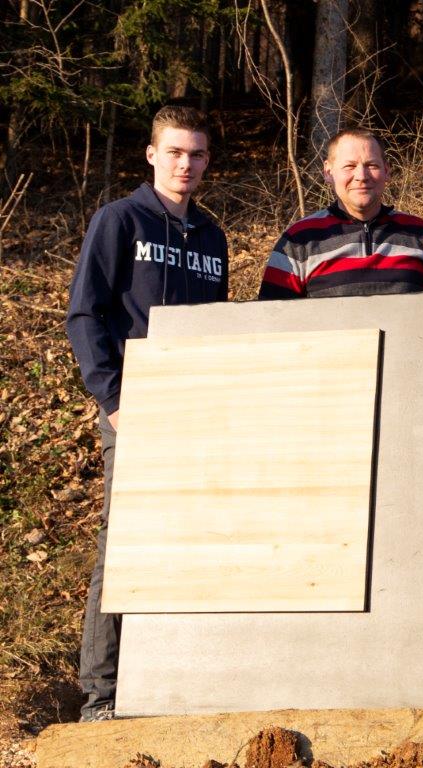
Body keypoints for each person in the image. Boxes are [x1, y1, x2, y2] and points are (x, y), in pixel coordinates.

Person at [66, 105, 229, 721]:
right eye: (176, 152)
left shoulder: (210, 236)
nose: (187, 164)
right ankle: (101, 694)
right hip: (135, 409)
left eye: (198, 154)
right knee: (125, 543)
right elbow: (85, 314)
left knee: (191, 539)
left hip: (196, 413)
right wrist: (112, 400)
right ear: (152, 154)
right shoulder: (119, 220)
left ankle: (174, 683)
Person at [258, 128, 423, 298]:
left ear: (387, 171)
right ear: (328, 172)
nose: (361, 176)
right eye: (349, 166)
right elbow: (273, 316)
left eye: (372, 165)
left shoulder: (419, 233)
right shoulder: (299, 239)